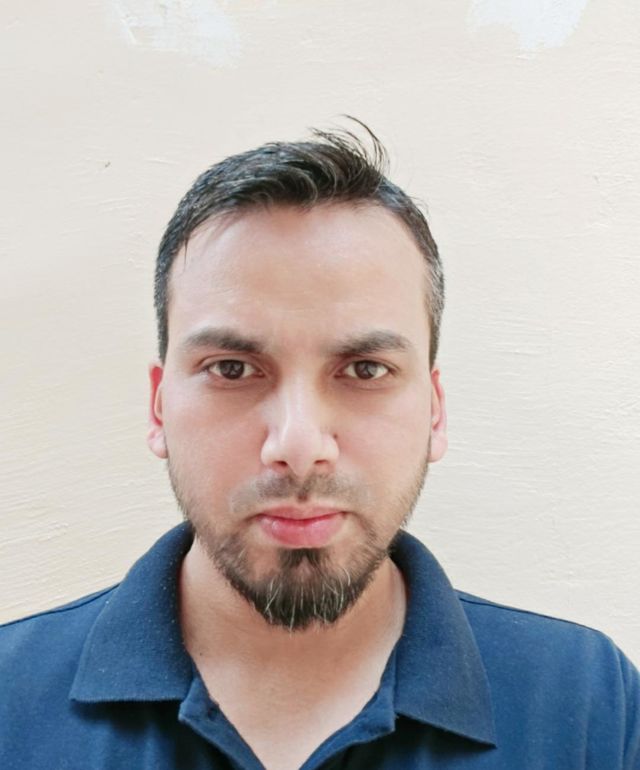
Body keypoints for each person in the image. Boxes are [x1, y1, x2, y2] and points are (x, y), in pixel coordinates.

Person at [0, 124, 638, 770]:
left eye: (365, 370)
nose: (299, 446)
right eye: (231, 369)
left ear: (435, 410)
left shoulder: (589, 704)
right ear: (159, 406)